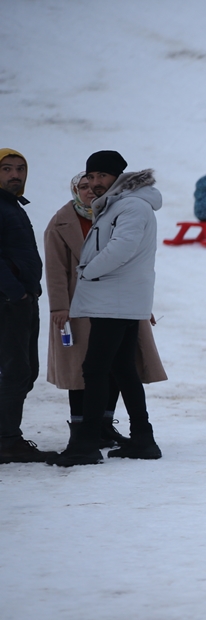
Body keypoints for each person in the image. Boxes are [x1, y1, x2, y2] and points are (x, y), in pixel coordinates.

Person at [52, 151, 163, 466]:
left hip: (115, 302)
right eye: (91, 176)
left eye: (102, 176)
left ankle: (85, 444)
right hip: (119, 300)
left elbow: (121, 248)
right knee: (123, 369)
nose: (95, 182)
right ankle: (143, 438)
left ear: (119, 177)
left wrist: (88, 269)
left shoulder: (130, 206)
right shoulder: (120, 205)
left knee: (95, 369)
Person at [0, 149, 56, 463]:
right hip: (9, 302)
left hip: (21, 299)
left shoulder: (12, 206)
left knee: (24, 371)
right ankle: (7, 440)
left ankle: (6, 436)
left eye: (20, 169)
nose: (15, 175)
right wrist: (15, 292)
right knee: (15, 371)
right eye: (7, 169)